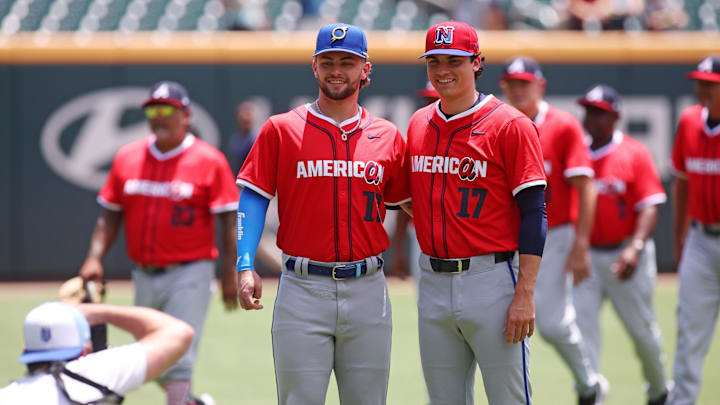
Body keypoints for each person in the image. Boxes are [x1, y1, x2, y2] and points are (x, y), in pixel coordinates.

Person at [234, 23, 410, 405]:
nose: (336, 69)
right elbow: (253, 197)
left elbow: (411, 203)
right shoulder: (281, 129)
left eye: (347, 61)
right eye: (327, 61)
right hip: (302, 288)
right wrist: (245, 263)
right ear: (314, 67)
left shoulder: (388, 135)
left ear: (365, 69)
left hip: (368, 288)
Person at [408, 21, 547, 404]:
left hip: (492, 280)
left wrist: (525, 294)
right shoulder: (419, 123)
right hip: (432, 280)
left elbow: (535, 211)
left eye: (454, 60)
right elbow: (411, 200)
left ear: (477, 63)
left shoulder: (511, 125)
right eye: (434, 61)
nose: (442, 69)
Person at [78, 81, 240, 405]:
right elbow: (110, 215)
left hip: (190, 271)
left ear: (186, 115)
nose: (159, 116)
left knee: (177, 356)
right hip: (143, 272)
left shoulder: (209, 160)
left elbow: (228, 219)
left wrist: (230, 272)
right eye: (153, 109)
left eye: (168, 110)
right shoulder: (128, 156)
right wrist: (94, 257)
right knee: (149, 351)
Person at [499, 56, 606, 404]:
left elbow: (585, 186)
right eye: (512, 83)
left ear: (540, 86)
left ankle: (589, 384)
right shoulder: (497, 123)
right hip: (504, 239)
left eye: (525, 83)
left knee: (553, 325)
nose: (518, 89)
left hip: (555, 233)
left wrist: (581, 244)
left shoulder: (562, 125)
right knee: (500, 326)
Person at [574, 84, 671, 405]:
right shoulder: (578, 155)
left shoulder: (634, 152)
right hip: (588, 257)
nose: (590, 117)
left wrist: (636, 246)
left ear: (614, 117)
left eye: (598, 112)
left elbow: (650, 204)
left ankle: (658, 390)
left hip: (626, 254)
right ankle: (590, 393)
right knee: (582, 333)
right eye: (588, 110)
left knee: (642, 332)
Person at [0, 301, 194, 404]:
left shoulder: (7, 397)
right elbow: (179, 333)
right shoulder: (95, 373)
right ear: (85, 351)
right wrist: (95, 312)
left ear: (26, 352)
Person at [668, 55, 720, 405]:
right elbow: (682, 183)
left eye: (709, 84)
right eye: (699, 83)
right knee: (689, 332)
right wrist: (680, 238)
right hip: (701, 239)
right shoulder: (689, 121)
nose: (701, 90)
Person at [227, 100, 262, 174]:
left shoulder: (257, 140)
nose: (245, 118)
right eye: (242, 114)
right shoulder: (235, 140)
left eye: (248, 114)